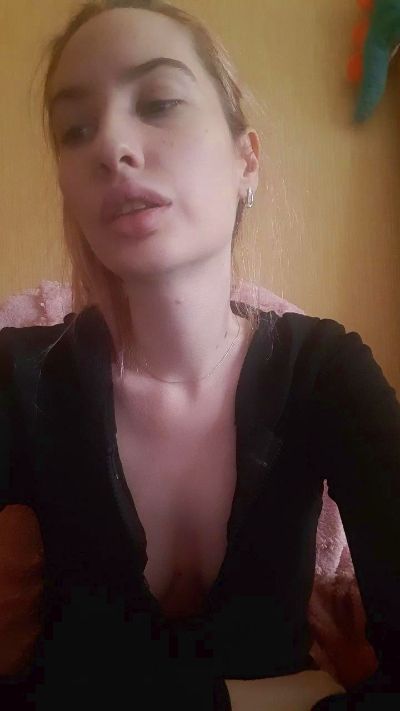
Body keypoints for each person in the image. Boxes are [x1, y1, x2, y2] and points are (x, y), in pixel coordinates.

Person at [1, 2, 399, 709]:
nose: (111, 145)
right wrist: (266, 700)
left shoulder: (326, 373)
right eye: (76, 128)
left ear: (246, 159)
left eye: (159, 102)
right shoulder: (15, 380)